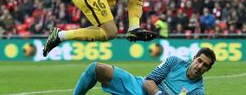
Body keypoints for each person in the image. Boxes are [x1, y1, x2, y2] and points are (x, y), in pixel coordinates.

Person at [73, 47, 216, 95]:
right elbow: (148, 82)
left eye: (205, 65)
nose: (199, 66)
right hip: (139, 87)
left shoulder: (197, 91)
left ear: (208, 69)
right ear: (194, 58)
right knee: (96, 69)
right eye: (199, 61)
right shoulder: (174, 62)